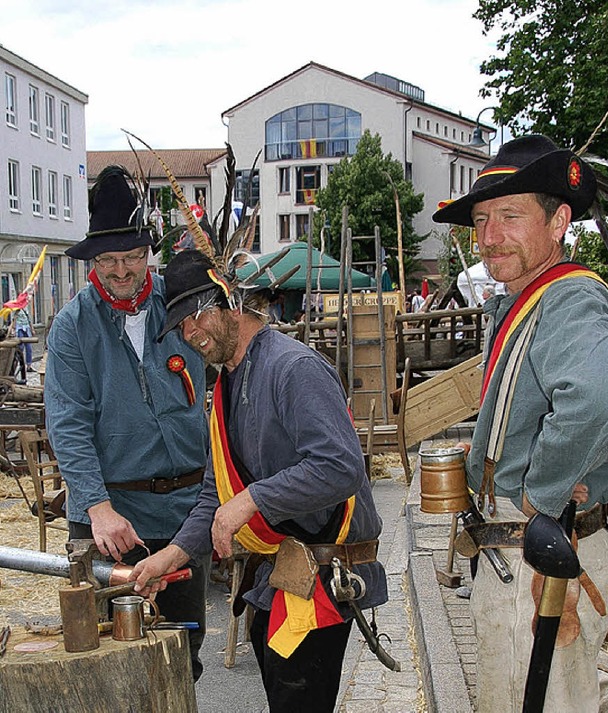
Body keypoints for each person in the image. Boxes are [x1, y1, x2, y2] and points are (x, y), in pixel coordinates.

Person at [129, 249, 388, 712]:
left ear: (230, 300)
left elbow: (341, 467)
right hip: (283, 574)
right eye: (181, 327)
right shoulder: (225, 384)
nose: (191, 335)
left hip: (323, 576)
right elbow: (216, 494)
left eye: (196, 316)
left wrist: (251, 501)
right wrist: (172, 555)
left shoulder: (294, 368)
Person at [433, 135, 608, 712]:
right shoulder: (531, 300)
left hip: (543, 558)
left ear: (559, 221)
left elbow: (599, 402)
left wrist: (542, 491)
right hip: (535, 554)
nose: (489, 236)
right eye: (481, 220)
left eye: (510, 216)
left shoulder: (569, 299)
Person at [44, 166, 209, 679]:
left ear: (147, 255)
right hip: (112, 522)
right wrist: (96, 507)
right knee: (110, 665)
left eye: (132, 257)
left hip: (184, 512)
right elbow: (67, 422)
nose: (121, 271)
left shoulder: (182, 306)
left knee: (181, 660)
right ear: (93, 259)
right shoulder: (72, 327)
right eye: (109, 259)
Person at [13, 307, 34, 371]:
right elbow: (14, 319)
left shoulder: (26, 309)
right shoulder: (17, 310)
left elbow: (29, 319)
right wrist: (14, 329)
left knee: (29, 348)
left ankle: (29, 366)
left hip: (27, 329)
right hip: (20, 329)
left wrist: (32, 329)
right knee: (20, 348)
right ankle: (18, 364)